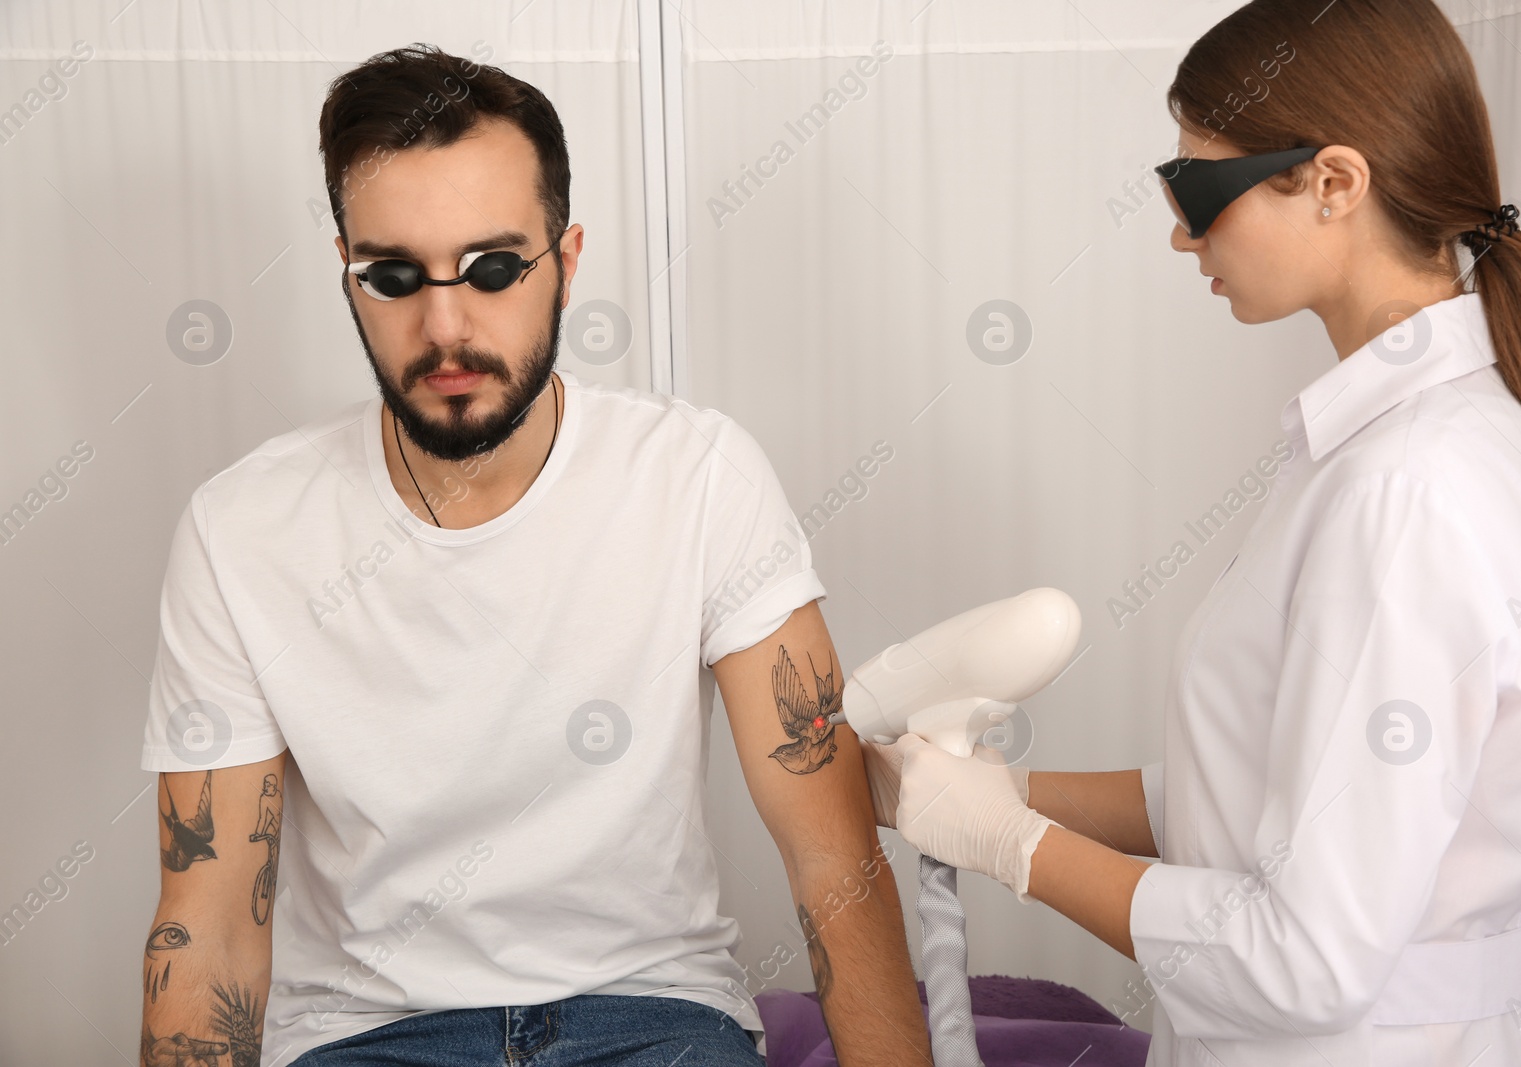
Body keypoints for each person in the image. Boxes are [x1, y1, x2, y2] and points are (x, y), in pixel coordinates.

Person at [138, 44, 934, 1067]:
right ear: (347, 269)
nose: (445, 326)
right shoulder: (240, 528)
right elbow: (207, 924)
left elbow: (832, 852)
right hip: (369, 1034)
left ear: (566, 259)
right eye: (391, 275)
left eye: (494, 268)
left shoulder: (696, 475)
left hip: (651, 1015)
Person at [864, 1, 1521, 1064]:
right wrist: (996, 792)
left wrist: (1013, 844)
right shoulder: (1389, 447)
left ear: (1334, 182)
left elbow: (1304, 958)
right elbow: (1256, 791)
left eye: (1197, 189)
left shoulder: (1407, 490)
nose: (1178, 231)